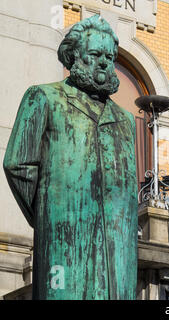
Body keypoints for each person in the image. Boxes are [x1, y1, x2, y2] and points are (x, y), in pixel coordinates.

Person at [3, 15, 138, 300]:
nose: (104, 62)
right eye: (95, 54)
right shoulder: (44, 97)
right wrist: (49, 212)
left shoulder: (126, 120)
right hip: (63, 239)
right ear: (74, 55)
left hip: (118, 249)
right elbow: (17, 164)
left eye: (109, 56)